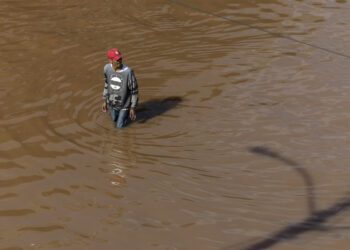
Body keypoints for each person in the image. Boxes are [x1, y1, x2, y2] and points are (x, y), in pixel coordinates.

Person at [102, 48, 139, 128]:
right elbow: (106, 84)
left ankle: (125, 116)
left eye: (120, 59)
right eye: (117, 60)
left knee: (119, 127)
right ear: (110, 61)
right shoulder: (106, 69)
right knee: (114, 119)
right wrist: (105, 100)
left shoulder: (128, 72)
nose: (119, 61)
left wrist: (133, 107)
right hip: (112, 103)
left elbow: (134, 91)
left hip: (124, 104)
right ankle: (123, 117)